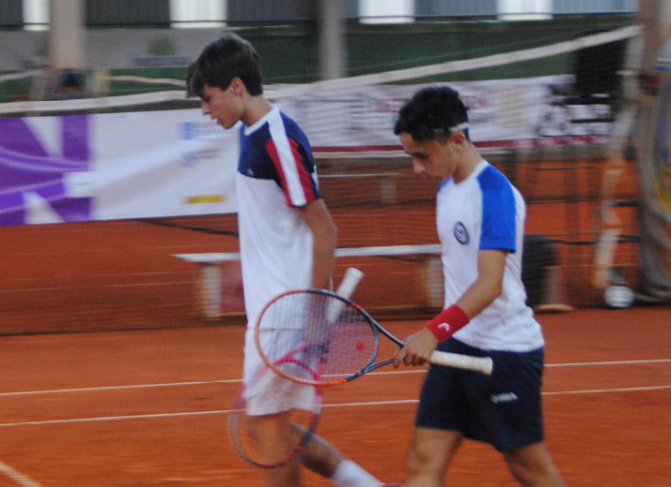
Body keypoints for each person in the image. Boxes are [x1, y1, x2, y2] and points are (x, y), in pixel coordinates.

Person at [187, 34, 390, 487]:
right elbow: (279, 220)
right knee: (274, 426)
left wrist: (315, 313)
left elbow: (325, 228)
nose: (205, 109)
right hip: (274, 305)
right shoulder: (253, 131)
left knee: (268, 427)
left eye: (208, 97)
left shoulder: (276, 140)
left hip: (286, 313)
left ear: (236, 87)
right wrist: (247, 265)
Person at [391, 86, 565, 487]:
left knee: (530, 470)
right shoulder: (447, 189)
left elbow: (490, 284)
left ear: (457, 140)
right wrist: (445, 336)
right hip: (458, 348)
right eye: (410, 157)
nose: (417, 168)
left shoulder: (495, 193)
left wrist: (433, 332)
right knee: (422, 461)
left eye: (422, 155)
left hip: (504, 355)